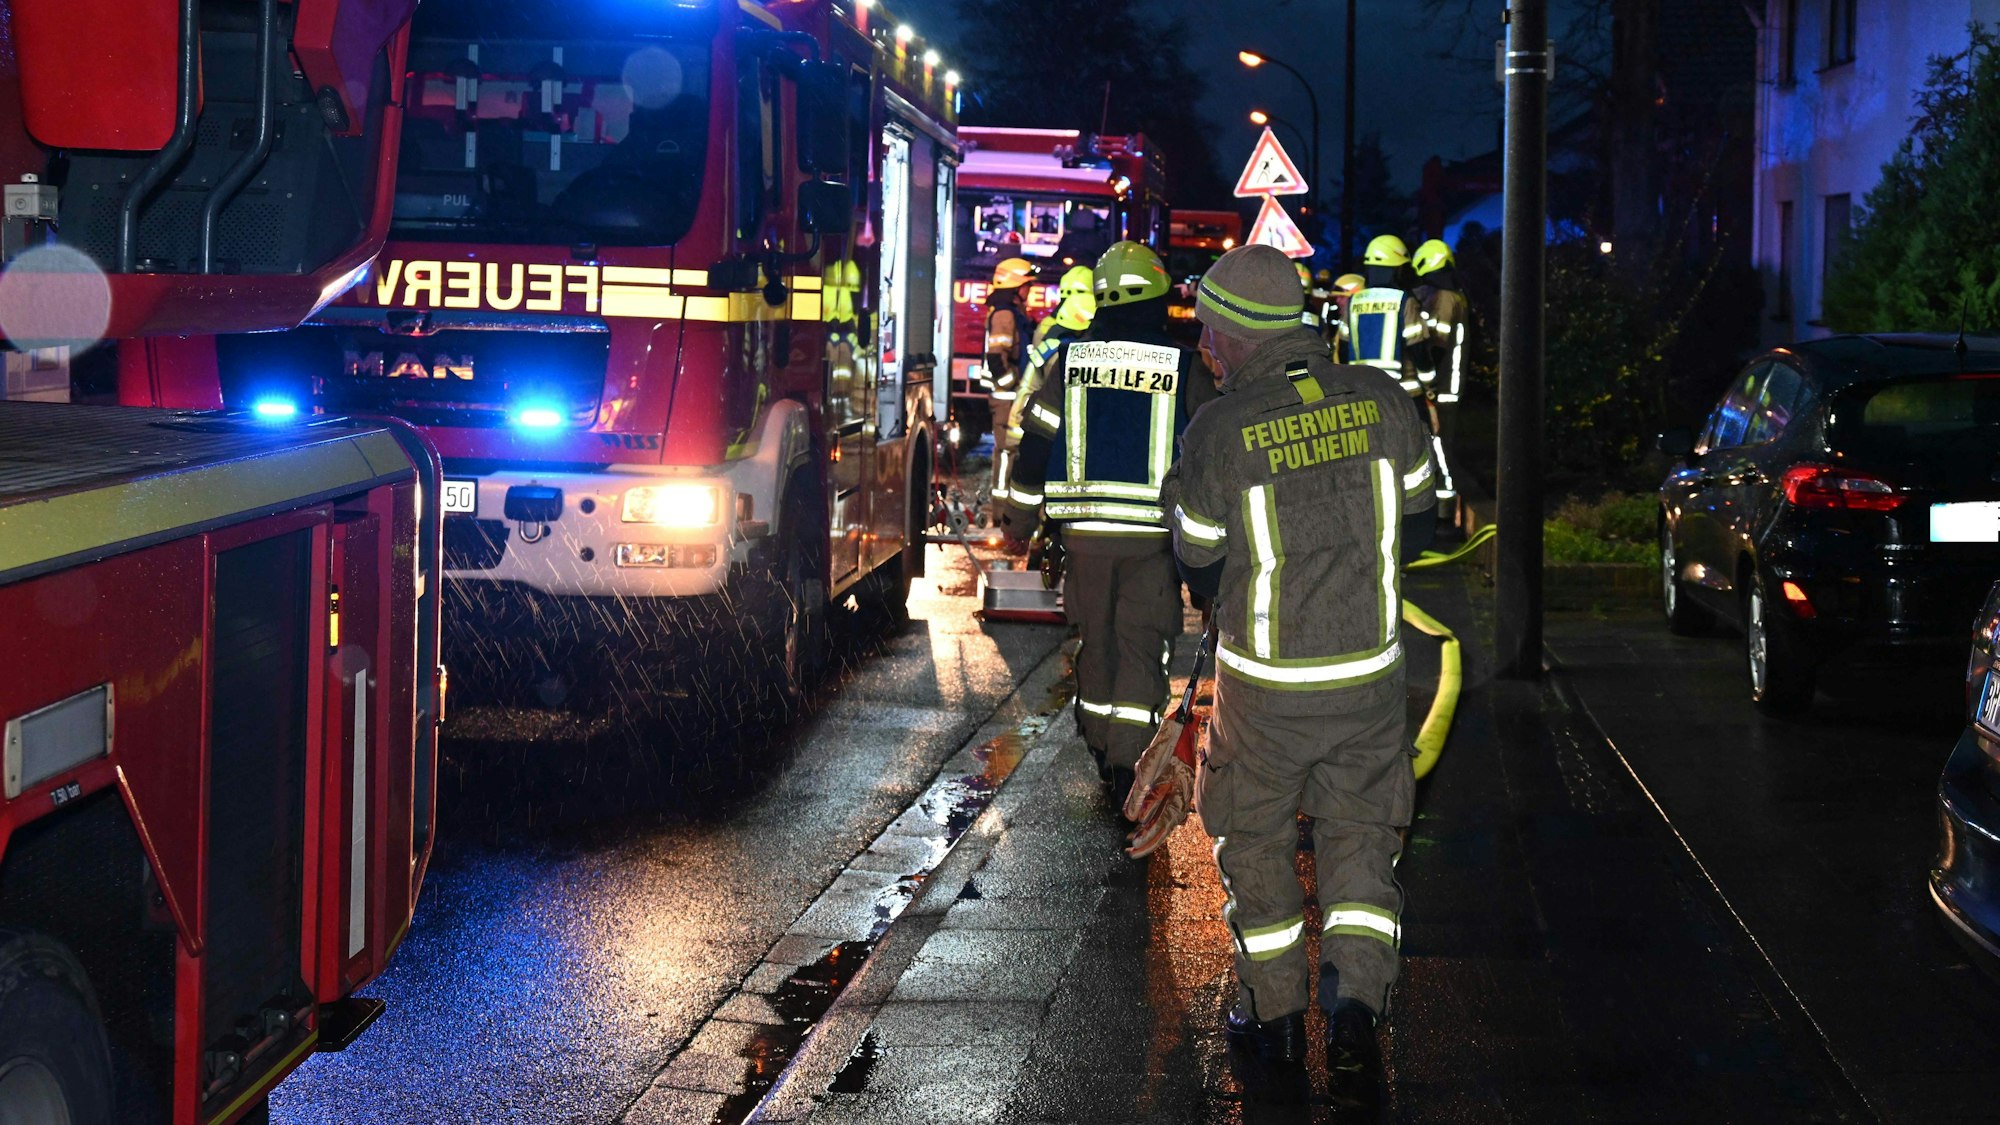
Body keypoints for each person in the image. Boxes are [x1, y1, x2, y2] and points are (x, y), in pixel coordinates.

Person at [1161, 243, 1436, 1108]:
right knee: (1362, 843)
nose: (1203, 343)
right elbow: (1424, 516)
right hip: (1369, 682)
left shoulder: (1219, 430)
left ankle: (1273, 1017)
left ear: (1238, 335)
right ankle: (1356, 1012)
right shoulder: (1386, 402)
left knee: (1258, 845)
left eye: (1209, 328)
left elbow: (1197, 558)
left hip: (1267, 689)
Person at [999, 242, 1214, 798]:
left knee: (1096, 641)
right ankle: (1128, 765)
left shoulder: (1066, 362)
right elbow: (1213, 458)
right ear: (1160, 296)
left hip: (1084, 537)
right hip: (1153, 541)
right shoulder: (1185, 366)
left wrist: (1019, 519)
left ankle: (1098, 741)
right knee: (1143, 647)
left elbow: (1034, 444)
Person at [1410, 239, 1467, 503]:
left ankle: (1445, 510)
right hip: (1445, 386)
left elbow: (1438, 344)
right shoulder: (1449, 296)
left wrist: (1426, 378)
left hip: (1443, 387)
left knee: (1439, 445)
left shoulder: (1445, 299)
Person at [1340, 235, 1425, 400]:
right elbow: (1418, 349)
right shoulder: (1404, 300)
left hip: (1361, 391)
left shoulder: (1353, 302)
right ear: (1397, 270)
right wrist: (1431, 386)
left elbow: (1343, 348)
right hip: (1401, 393)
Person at [983, 257, 1038, 501]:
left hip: (1011, 394)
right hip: (1006, 395)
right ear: (1016, 286)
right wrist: (1010, 385)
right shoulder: (1005, 315)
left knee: (1013, 450)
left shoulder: (1013, 313)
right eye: (1027, 285)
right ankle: (1001, 506)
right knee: (1006, 451)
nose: (1030, 290)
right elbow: (996, 357)